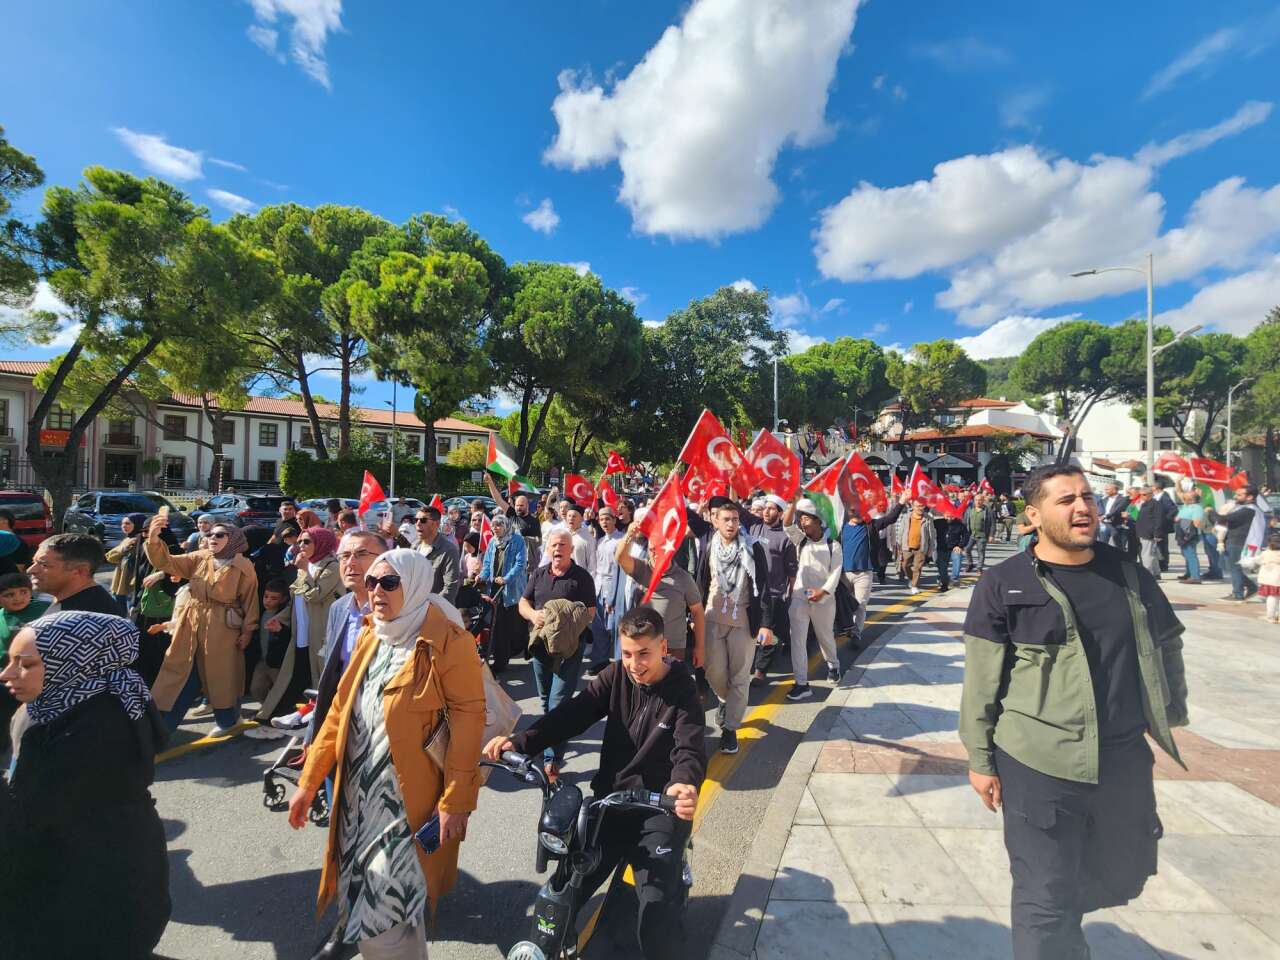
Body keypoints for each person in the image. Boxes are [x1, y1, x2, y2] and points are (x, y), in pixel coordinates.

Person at [960, 464, 1188, 960]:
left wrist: (1172, 709)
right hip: (1038, 762)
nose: (1082, 507)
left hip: (1122, 758)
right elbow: (981, 681)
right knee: (1043, 893)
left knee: (1123, 872)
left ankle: (1066, 933)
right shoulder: (1003, 583)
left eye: (1087, 496)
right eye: (1065, 500)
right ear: (1033, 515)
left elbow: (1167, 641)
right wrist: (980, 759)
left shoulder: (1127, 573)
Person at [289, 549, 485, 960]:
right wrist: (309, 781)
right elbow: (340, 711)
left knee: (379, 920)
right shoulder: (370, 634)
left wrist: (456, 800)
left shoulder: (449, 642)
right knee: (395, 913)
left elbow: (469, 721)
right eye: (372, 582)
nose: (376, 590)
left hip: (406, 806)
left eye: (389, 582)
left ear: (413, 585)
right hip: (357, 803)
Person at [483, 605, 706, 960]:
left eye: (644, 654)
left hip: (659, 809)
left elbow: (689, 747)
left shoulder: (683, 689)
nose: (635, 664)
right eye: (627, 653)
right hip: (610, 804)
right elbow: (571, 714)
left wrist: (683, 782)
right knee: (564, 891)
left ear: (664, 648)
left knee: (655, 915)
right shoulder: (615, 676)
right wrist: (521, 742)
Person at [0, 612, 170, 959]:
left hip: (96, 888)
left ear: (74, 662)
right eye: (10, 661)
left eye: (25, 664)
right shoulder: (51, 704)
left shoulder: (97, 727)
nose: (7, 674)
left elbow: (36, 813)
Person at [145, 518, 259, 736]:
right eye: (210, 535)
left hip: (222, 625)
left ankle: (228, 720)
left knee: (222, 673)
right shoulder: (199, 557)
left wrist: (247, 631)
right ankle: (159, 730)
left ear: (233, 539)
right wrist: (153, 539)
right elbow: (166, 562)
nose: (212, 538)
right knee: (178, 669)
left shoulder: (243, 567)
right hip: (191, 620)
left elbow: (250, 601)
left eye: (219, 535)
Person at [691, 497, 772, 755]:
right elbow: (701, 581)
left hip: (743, 622)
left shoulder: (753, 547)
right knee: (713, 671)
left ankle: (730, 729)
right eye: (726, 519)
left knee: (739, 677)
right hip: (712, 618)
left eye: (735, 519)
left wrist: (766, 624)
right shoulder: (708, 544)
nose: (731, 524)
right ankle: (725, 700)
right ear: (714, 521)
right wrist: (694, 616)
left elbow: (764, 587)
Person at [519, 529, 595, 778]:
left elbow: (590, 612)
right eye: (553, 545)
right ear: (547, 548)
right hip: (541, 645)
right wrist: (534, 615)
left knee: (558, 702)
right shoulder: (539, 574)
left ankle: (552, 758)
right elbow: (523, 603)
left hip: (570, 648)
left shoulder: (582, 578)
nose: (557, 549)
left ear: (571, 550)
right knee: (544, 700)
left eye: (562, 545)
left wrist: (566, 624)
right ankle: (550, 739)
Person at [616, 513, 705, 666]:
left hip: (672, 647)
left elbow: (697, 612)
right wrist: (629, 535)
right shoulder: (642, 569)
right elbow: (621, 558)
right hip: (643, 644)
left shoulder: (683, 578)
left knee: (672, 680)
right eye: (651, 549)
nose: (654, 554)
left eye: (659, 549)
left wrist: (700, 648)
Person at [783, 498, 844, 701]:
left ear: (818, 521)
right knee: (797, 641)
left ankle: (833, 665)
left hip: (824, 601)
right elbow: (786, 524)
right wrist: (792, 503)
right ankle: (801, 683)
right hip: (800, 598)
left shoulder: (833, 546)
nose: (803, 522)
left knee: (825, 636)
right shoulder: (800, 540)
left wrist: (823, 592)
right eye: (801, 519)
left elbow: (835, 573)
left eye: (807, 518)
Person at [745, 495, 797, 686]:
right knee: (755, 630)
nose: (766, 511)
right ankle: (784, 642)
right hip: (751, 590)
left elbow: (792, 572)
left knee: (768, 632)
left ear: (781, 513)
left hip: (774, 594)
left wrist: (792, 596)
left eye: (772, 508)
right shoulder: (754, 526)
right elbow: (735, 507)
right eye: (765, 508)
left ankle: (760, 671)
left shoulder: (787, 537)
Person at [839, 493, 906, 640]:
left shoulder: (870, 526)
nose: (857, 514)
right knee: (845, 604)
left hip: (864, 574)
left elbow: (890, 518)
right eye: (854, 511)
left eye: (860, 511)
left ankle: (856, 632)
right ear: (848, 512)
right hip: (844, 574)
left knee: (860, 604)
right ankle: (847, 627)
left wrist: (901, 502)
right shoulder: (840, 529)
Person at [0, 572, 50, 757]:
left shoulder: (45, 610)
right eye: (9, 595)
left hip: (36, 678)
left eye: (23, 592)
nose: (18, 598)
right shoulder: (1, 617)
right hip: (7, 679)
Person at [289, 527, 345, 685]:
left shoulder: (332, 566)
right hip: (303, 626)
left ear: (321, 543)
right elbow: (295, 594)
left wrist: (304, 571)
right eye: (300, 541)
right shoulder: (307, 565)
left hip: (321, 627)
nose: (301, 545)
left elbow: (314, 596)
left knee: (322, 669)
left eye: (307, 541)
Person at [479, 513, 528, 675]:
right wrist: (482, 576)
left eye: (499, 525)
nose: (495, 528)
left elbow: (520, 563)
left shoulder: (517, 540)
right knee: (500, 627)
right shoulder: (493, 542)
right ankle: (500, 661)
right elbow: (487, 564)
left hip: (511, 590)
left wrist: (506, 579)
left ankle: (522, 646)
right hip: (495, 590)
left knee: (514, 626)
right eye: (493, 525)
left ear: (506, 526)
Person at [28, 533, 122, 614]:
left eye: (44, 565)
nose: (30, 570)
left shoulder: (86, 616)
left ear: (81, 571)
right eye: (33, 562)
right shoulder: (79, 603)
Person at [587, 505, 627, 676]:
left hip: (614, 588)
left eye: (607, 519)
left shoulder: (621, 540)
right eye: (601, 519)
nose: (604, 522)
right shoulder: (600, 541)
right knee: (598, 628)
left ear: (614, 520)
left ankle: (620, 664)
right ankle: (600, 661)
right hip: (599, 588)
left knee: (616, 628)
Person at [247, 579, 293, 711]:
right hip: (262, 661)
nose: (267, 601)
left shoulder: (285, 615)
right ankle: (267, 709)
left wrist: (281, 630)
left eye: (273, 598)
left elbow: (290, 637)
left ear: (283, 599)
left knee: (282, 692)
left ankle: (277, 711)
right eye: (266, 596)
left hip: (277, 663)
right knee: (256, 689)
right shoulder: (260, 611)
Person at [1217, 483, 1267, 602]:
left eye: (1239, 495)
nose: (1235, 496)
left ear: (1250, 497)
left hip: (1239, 542)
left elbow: (1223, 519)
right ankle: (1251, 587)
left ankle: (1238, 593)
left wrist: (1210, 511)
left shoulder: (1248, 510)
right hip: (1233, 540)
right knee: (1230, 566)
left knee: (1234, 567)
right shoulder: (1243, 508)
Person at [413, 506, 461, 604]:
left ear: (437, 524)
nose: (418, 523)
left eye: (423, 520)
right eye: (416, 520)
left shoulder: (449, 550)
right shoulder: (415, 546)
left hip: (435, 609)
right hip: (413, 607)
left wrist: (429, 607)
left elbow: (450, 587)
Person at [105, 513, 150, 612]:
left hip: (132, 586)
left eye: (127, 523)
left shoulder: (145, 542)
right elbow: (110, 557)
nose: (124, 526)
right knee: (117, 613)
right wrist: (124, 549)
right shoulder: (128, 540)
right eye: (122, 524)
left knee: (131, 614)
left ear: (138, 524)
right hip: (119, 584)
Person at [892, 500, 936, 590]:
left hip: (921, 547)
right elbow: (901, 531)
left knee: (917, 568)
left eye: (922, 506)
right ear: (913, 506)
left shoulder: (928, 518)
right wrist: (899, 544)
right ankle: (912, 579)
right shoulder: (906, 517)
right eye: (918, 506)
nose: (920, 508)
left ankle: (914, 586)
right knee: (905, 565)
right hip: (907, 546)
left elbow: (932, 536)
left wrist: (931, 549)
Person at [1239, 533, 1280, 623]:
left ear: (1269, 544)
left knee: (1272, 597)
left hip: (1270, 580)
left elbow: (1255, 561)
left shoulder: (1266, 553)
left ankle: (1271, 617)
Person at [1174, 488, 1205, 584]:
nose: (1183, 500)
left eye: (1185, 498)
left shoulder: (1196, 508)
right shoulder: (1186, 506)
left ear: (1192, 500)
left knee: (1191, 555)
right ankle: (1189, 573)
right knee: (1186, 554)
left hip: (1189, 535)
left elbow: (1197, 522)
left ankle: (1195, 577)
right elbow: (1177, 518)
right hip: (1182, 534)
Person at [1133, 484, 1163, 579]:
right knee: (1151, 553)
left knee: (1146, 554)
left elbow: (1159, 519)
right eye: (1140, 494)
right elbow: (1138, 516)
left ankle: (1148, 575)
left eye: (1144, 494)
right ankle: (1156, 573)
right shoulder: (1144, 504)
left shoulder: (1156, 504)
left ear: (1150, 494)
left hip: (1149, 532)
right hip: (1142, 531)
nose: (1142, 496)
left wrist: (1157, 534)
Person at [963, 493, 996, 573]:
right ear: (974, 501)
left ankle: (979, 567)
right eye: (976, 500)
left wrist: (991, 535)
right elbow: (965, 522)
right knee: (967, 549)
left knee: (980, 551)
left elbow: (993, 523)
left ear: (983, 501)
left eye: (980, 500)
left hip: (982, 535)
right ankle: (970, 564)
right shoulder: (969, 510)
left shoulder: (988, 511)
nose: (978, 502)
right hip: (971, 535)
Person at [939, 511, 971, 590]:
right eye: (947, 516)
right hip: (942, 548)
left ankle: (954, 578)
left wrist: (960, 546)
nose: (949, 518)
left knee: (957, 557)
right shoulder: (938, 523)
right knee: (942, 565)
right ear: (944, 515)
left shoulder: (959, 524)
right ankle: (942, 579)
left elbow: (966, 536)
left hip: (954, 547)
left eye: (951, 516)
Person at [1097, 482, 1130, 550]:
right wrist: (1100, 515)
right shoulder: (1104, 499)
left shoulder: (1123, 499)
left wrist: (1105, 516)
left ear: (1114, 490)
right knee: (1102, 544)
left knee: (1118, 546)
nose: (1106, 491)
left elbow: (1117, 510)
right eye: (1105, 489)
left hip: (1116, 525)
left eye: (1107, 489)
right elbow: (1100, 509)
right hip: (1104, 524)